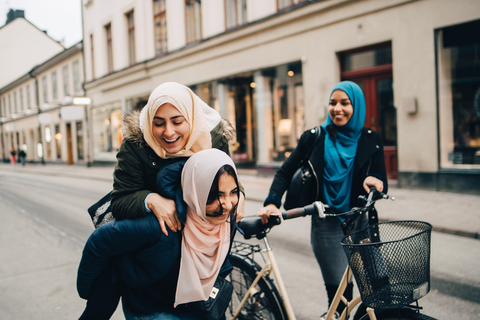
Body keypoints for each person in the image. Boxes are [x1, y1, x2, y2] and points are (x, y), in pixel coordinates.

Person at [79, 82, 245, 319]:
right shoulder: (136, 145)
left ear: (192, 118)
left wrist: (240, 195)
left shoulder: (213, 137)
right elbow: (121, 199)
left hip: (198, 254)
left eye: (177, 122)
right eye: (159, 123)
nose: (168, 132)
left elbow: (224, 174)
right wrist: (150, 199)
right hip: (154, 254)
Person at [258, 81, 388, 319]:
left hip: (362, 224)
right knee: (341, 301)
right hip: (326, 224)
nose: (337, 108)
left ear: (356, 106)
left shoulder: (371, 139)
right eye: (332, 103)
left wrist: (375, 181)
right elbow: (285, 172)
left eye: (344, 103)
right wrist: (272, 202)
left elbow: (380, 180)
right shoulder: (314, 138)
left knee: (380, 293)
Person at [78, 148, 240, 319]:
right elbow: (99, 241)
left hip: (192, 307)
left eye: (233, 192)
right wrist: (86, 290)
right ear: (195, 192)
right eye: (215, 195)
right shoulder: (161, 224)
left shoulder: (226, 222)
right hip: (152, 308)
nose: (227, 205)